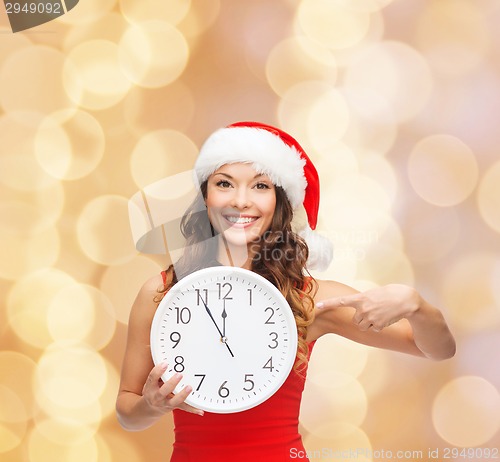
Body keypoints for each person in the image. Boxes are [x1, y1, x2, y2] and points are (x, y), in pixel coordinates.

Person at [116, 121, 456, 461]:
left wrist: (416, 305)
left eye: (260, 186)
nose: (240, 201)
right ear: (206, 196)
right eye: (224, 184)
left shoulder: (310, 298)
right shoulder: (162, 293)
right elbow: (127, 413)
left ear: (280, 202)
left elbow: (437, 350)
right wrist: (150, 405)